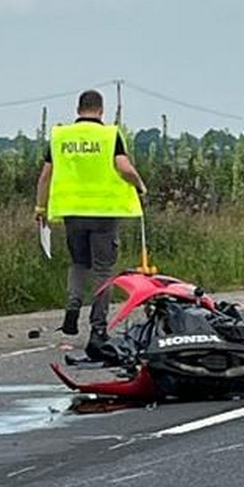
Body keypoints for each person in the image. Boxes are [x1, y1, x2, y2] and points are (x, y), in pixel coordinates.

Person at [34, 90, 147, 359]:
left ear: (78, 108)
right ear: (101, 110)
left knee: (79, 264)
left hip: (72, 213)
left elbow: (45, 176)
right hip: (104, 214)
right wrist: (140, 185)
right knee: (103, 271)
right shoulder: (110, 135)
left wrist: (40, 208)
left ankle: (73, 305)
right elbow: (124, 168)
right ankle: (98, 329)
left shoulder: (61, 136)